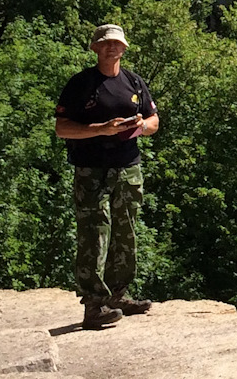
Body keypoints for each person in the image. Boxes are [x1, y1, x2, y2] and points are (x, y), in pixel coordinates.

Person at [54, 24, 160, 328]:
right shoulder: (80, 84)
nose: (112, 48)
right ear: (95, 49)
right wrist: (100, 129)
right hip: (91, 170)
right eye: (105, 44)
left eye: (117, 44)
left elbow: (154, 120)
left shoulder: (134, 82)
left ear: (124, 49)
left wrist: (138, 126)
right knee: (94, 235)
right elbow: (62, 128)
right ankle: (93, 306)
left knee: (125, 234)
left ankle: (118, 296)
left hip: (128, 169)